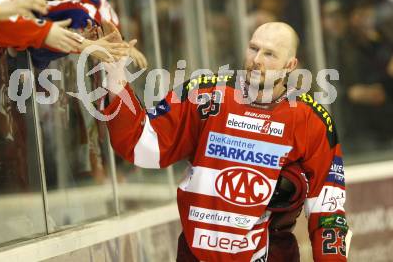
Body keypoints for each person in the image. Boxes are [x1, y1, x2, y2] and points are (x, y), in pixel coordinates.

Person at [103, 22, 348, 261]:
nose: (257, 59)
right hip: (197, 254)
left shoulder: (312, 120)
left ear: (290, 65)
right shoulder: (204, 95)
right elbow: (143, 143)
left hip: (272, 254)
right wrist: (115, 75)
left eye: (270, 54)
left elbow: (327, 206)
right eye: (253, 48)